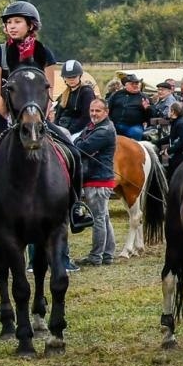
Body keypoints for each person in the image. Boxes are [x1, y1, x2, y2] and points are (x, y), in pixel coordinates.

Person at [0, 1, 92, 233]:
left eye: (17, 22)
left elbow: (48, 91)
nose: (12, 26)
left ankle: (75, 207)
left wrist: (38, 117)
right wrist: (7, 115)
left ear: (30, 25)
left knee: (73, 153)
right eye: (8, 23)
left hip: (37, 118)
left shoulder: (44, 53)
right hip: (5, 117)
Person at [74, 98, 117, 266]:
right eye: (92, 110)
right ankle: (107, 255)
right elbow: (79, 141)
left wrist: (80, 142)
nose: (93, 114)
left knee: (98, 218)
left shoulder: (104, 130)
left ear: (106, 112)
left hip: (98, 179)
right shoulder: (94, 127)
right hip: (97, 178)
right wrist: (80, 141)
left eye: (97, 111)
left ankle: (96, 257)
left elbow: (81, 148)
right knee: (104, 218)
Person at [53, 60, 96, 136]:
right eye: (68, 77)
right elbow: (58, 115)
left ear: (80, 76)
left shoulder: (87, 92)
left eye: (74, 76)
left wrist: (70, 131)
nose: (71, 79)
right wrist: (55, 128)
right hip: (63, 128)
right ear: (64, 78)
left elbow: (86, 116)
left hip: (79, 129)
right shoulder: (65, 94)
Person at [107, 74, 152, 140]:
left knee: (136, 132)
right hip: (115, 124)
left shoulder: (144, 97)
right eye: (132, 84)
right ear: (126, 85)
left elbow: (150, 116)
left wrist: (148, 109)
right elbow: (107, 108)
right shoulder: (117, 94)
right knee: (105, 132)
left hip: (134, 126)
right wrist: (109, 121)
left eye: (136, 83)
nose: (135, 85)